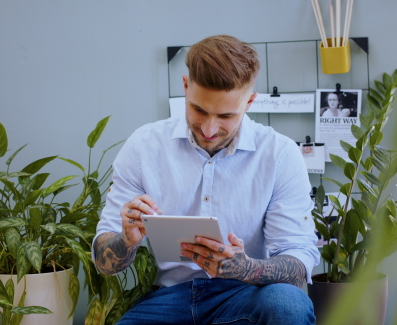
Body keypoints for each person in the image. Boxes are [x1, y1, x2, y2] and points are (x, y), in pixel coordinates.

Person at [92, 34, 320, 324]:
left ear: (249, 101)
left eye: (225, 116)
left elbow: (299, 262)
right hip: (169, 297)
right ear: (186, 87)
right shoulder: (143, 146)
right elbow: (104, 262)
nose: (209, 129)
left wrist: (246, 269)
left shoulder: (280, 154)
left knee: (288, 303)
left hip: (244, 294)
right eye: (198, 109)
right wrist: (126, 239)